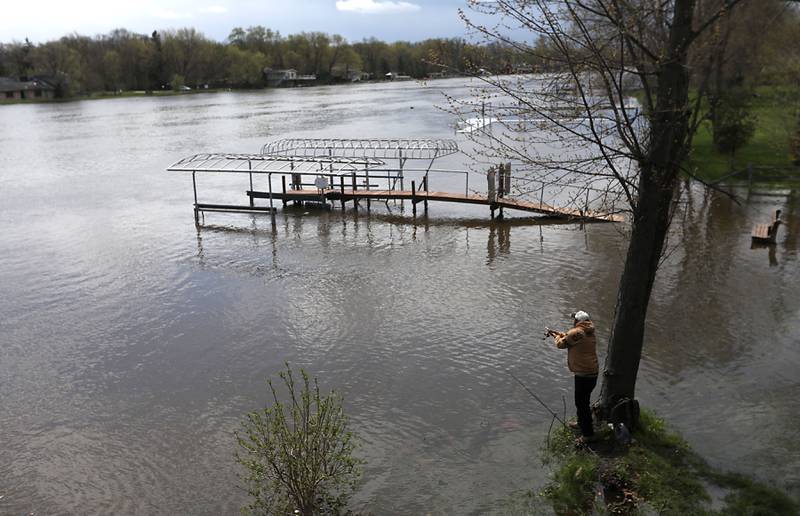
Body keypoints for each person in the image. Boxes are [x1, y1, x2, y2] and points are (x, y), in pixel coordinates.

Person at [551, 310, 599, 443]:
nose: (573, 321)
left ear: (577, 321)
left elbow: (561, 344)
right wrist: (562, 334)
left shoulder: (576, 332)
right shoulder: (589, 331)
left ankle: (588, 435)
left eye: (574, 319)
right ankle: (580, 423)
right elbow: (573, 339)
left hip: (583, 374)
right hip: (592, 372)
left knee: (581, 403)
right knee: (584, 401)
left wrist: (556, 337)